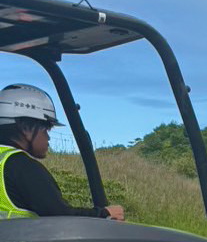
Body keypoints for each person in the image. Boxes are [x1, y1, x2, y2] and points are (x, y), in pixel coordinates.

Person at [0, 84, 124, 221]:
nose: (48, 138)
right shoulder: (22, 167)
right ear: (26, 128)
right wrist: (104, 213)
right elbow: (61, 217)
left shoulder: (4, 162)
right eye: (46, 129)